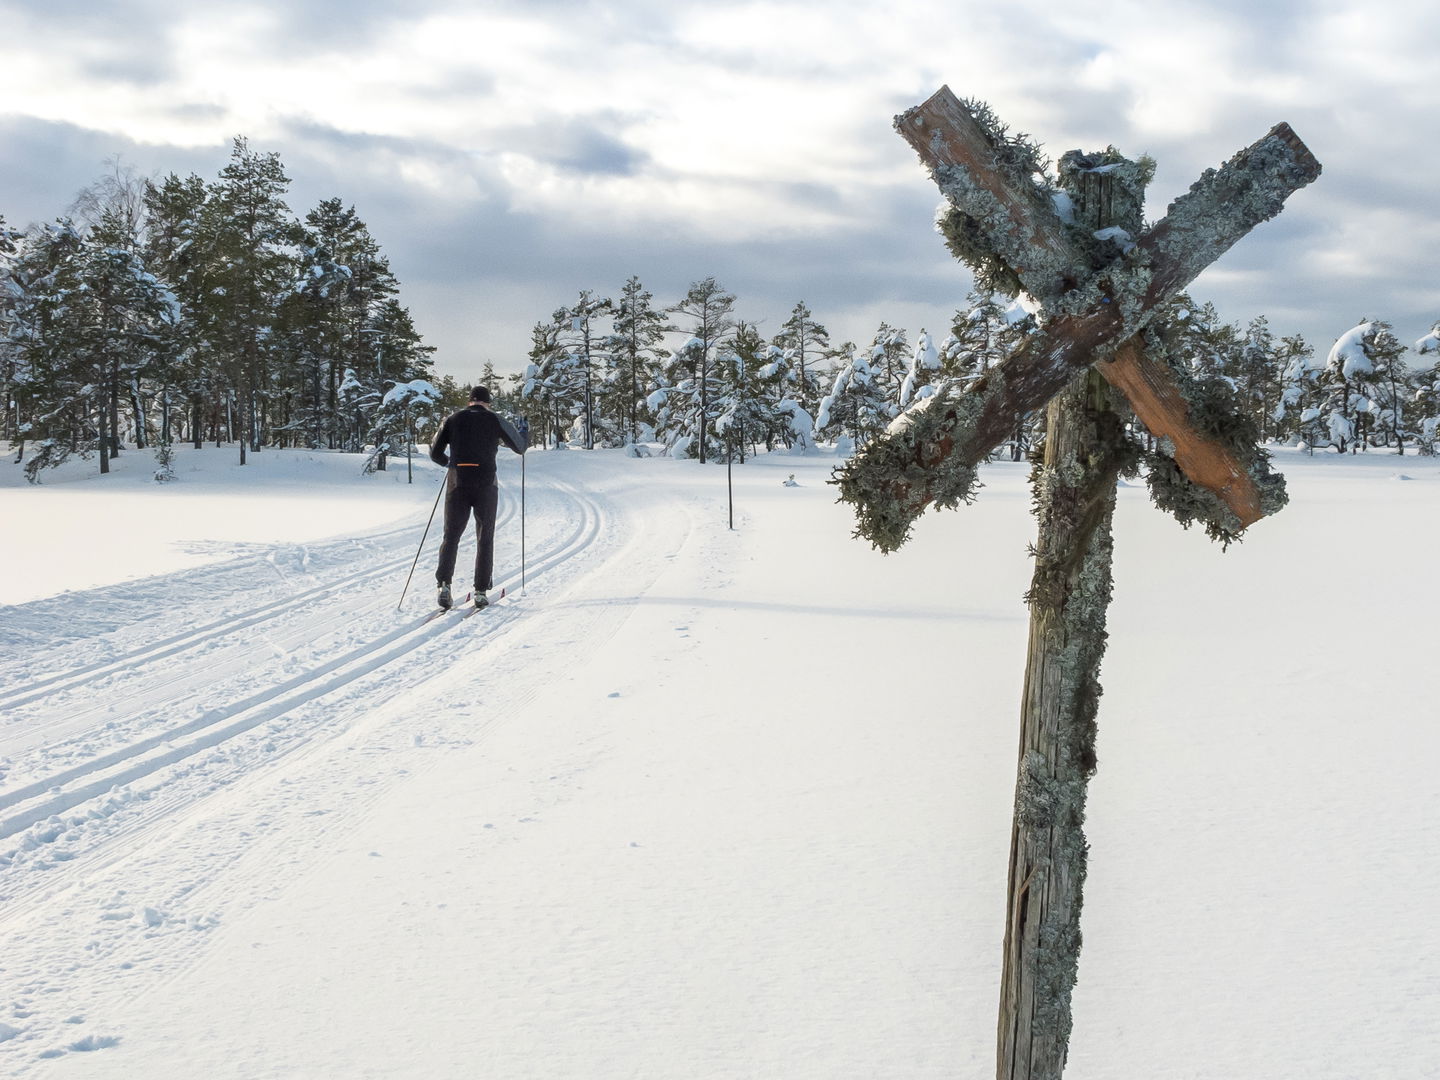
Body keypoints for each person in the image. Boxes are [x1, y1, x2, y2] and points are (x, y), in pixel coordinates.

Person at [429, 386, 527, 609]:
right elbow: (520, 448)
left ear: (469, 402)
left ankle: (444, 585)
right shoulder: (495, 420)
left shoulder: (452, 419)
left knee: (451, 536)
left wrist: (450, 464)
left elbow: (435, 453)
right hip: (485, 485)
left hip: (457, 482)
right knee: (485, 535)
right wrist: (523, 431)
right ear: (488, 402)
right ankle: (481, 591)